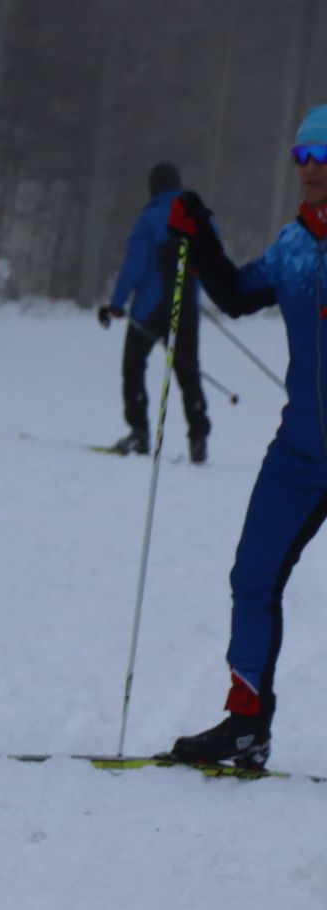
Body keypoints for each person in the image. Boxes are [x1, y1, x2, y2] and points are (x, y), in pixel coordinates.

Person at [158, 106, 327, 769]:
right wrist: (199, 235)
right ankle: (246, 723)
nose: (310, 170)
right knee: (252, 578)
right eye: (302, 158)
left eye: (323, 158)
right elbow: (232, 294)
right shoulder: (291, 247)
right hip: (301, 455)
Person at [98, 161, 212, 463]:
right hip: (186, 309)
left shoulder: (149, 219)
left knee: (134, 366)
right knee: (188, 373)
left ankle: (139, 433)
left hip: (150, 308)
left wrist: (117, 303)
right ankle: (198, 438)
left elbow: (134, 264)